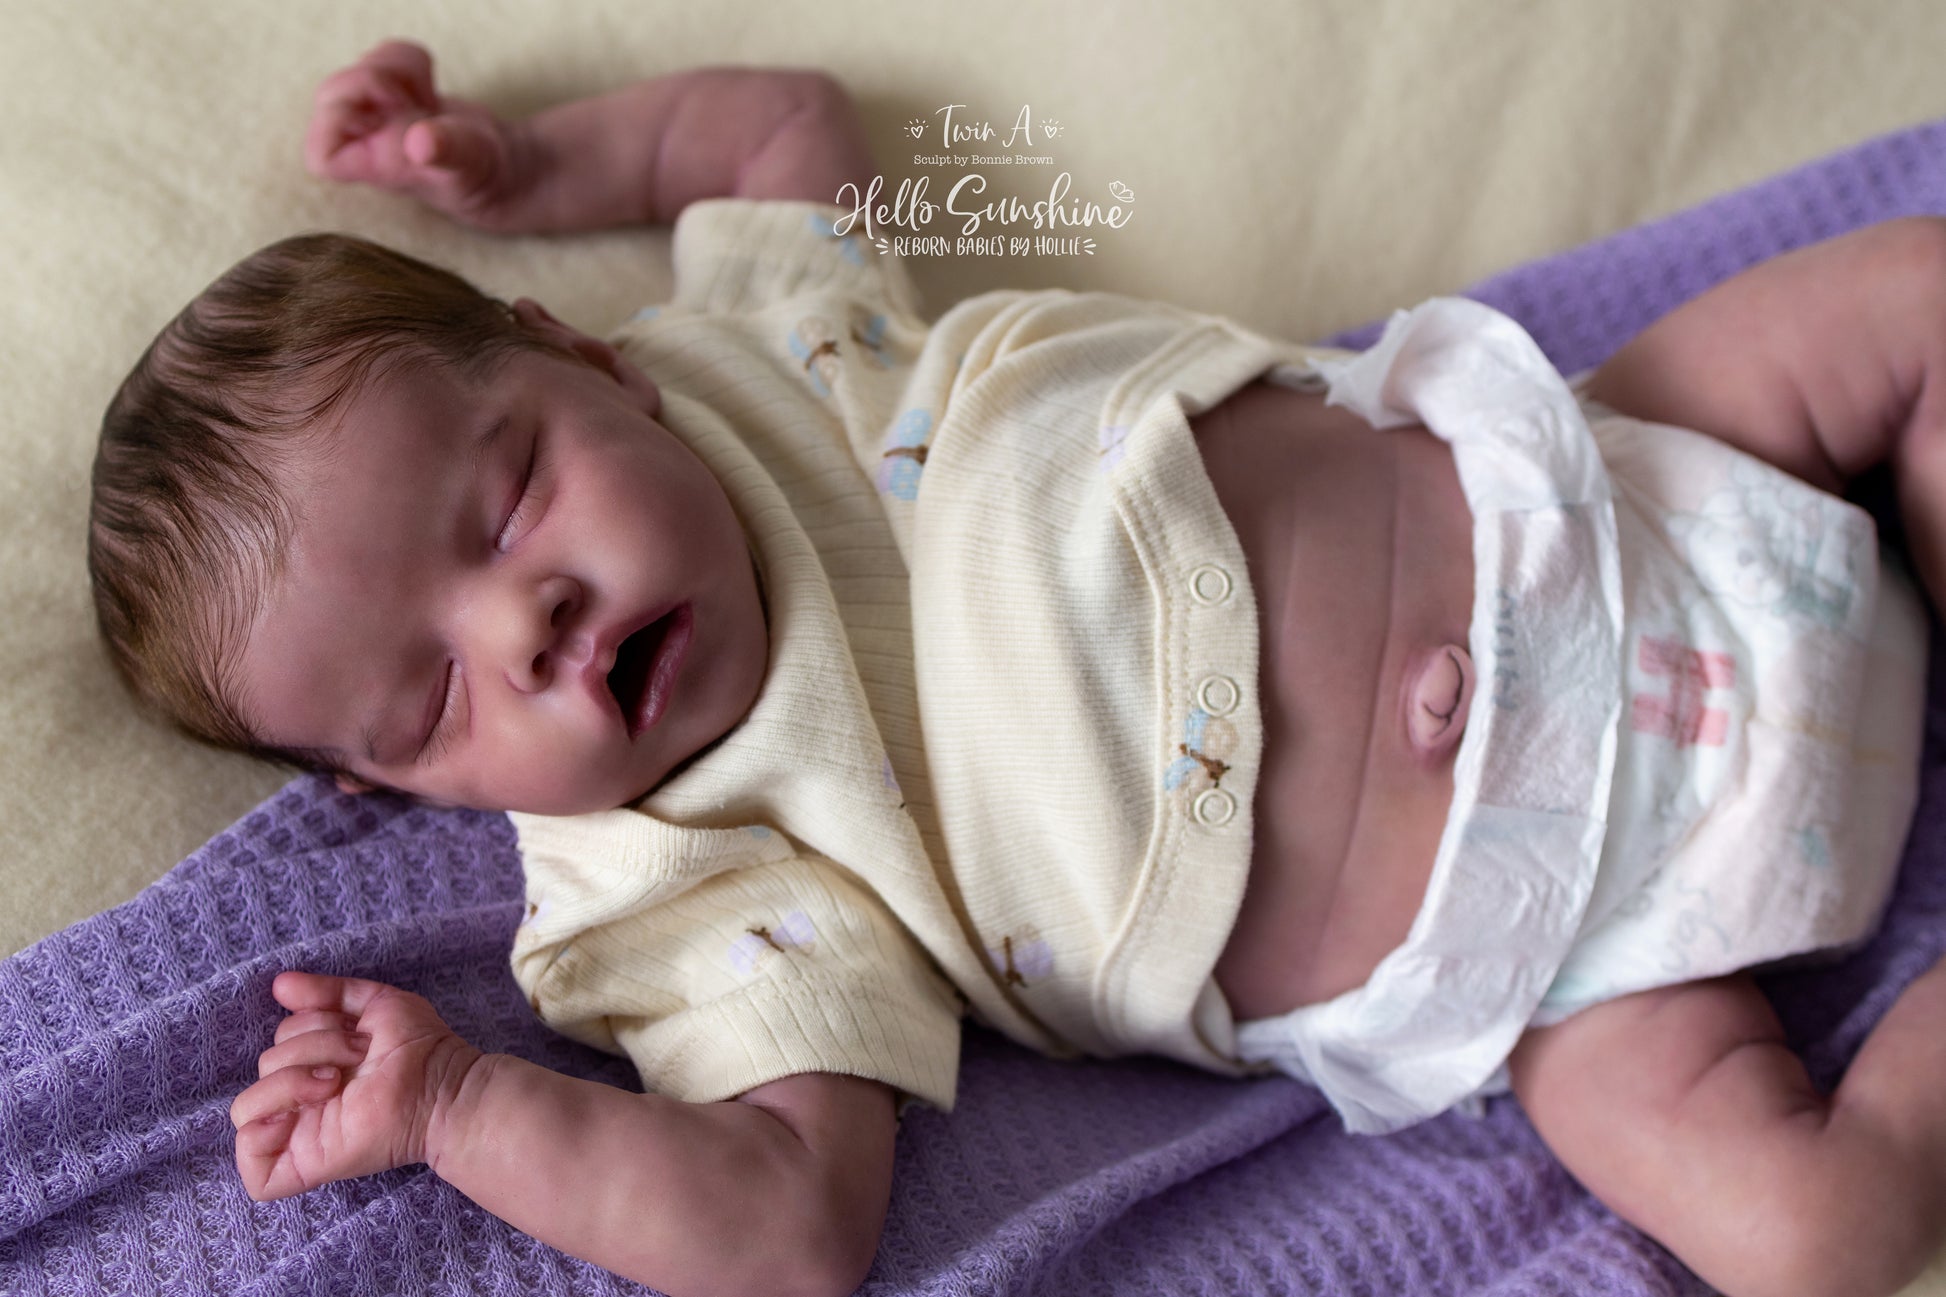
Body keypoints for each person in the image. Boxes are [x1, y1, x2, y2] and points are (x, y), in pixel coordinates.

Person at [86, 39, 1946, 1297]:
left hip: (1600, 489)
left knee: (1915, 293)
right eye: (430, 702)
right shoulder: (679, 883)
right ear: (387, 785)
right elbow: (786, 1229)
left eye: (505, 505)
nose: (525, 627)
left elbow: (778, 127)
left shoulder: (769, 343)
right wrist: (459, 1106)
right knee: (1810, 1236)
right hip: (1554, 945)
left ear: (584, 358)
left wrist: (526, 162)